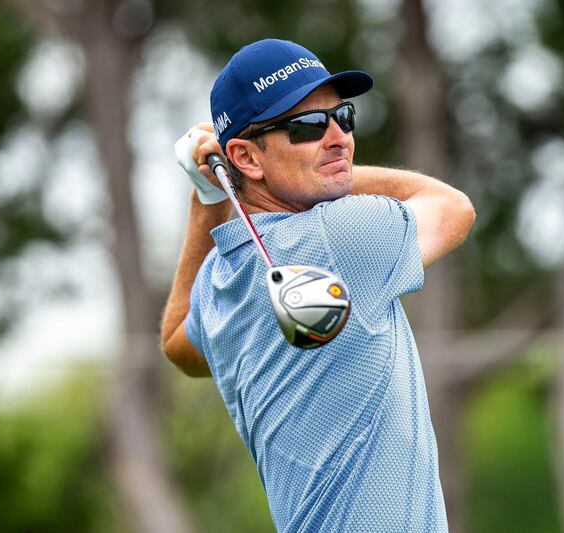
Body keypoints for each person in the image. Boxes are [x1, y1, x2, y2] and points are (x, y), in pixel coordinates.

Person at [161, 39, 475, 533]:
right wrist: (339, 178)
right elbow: (454, 207)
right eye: (307, 127)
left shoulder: (221, 279)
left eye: (342, 117)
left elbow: (178, 343)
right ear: (245, 156)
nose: (338, 138)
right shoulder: (341, 236)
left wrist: (207, 195)